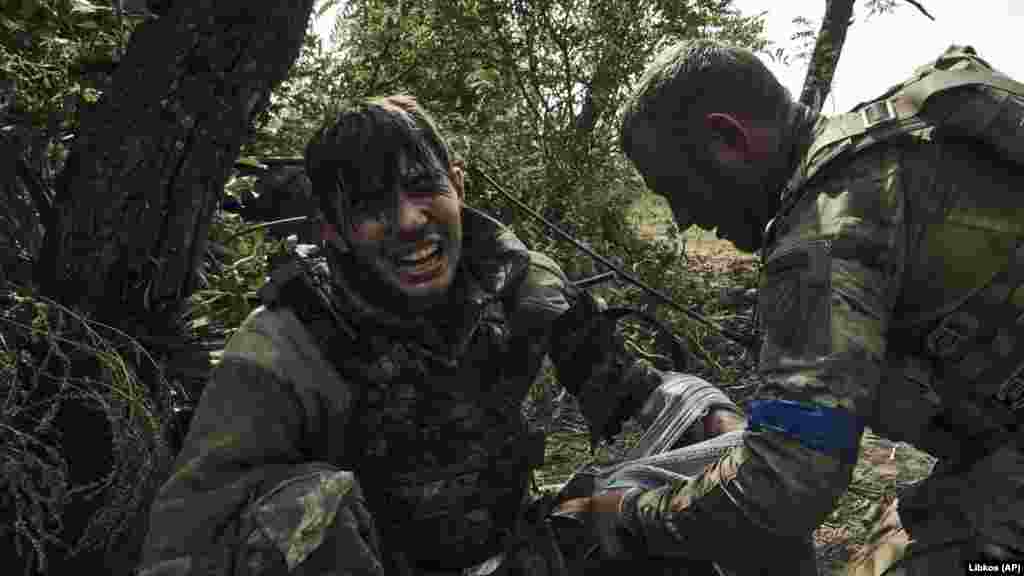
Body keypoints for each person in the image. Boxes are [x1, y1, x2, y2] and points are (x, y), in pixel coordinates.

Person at [135, 94, 753, 575]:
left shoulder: (522, 286)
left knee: (681, 505)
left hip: (512, 557)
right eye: (372, 207)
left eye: (425, 189)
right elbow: (187, 540)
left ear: (458, 186)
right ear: (332, 230)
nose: (409, 222)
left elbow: (631, 392)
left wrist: (710, 418)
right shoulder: (285, 344)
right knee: (300, 511)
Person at [576, 38, 1024, 573]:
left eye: (675, 188)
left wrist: (623, 514)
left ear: (728, 139)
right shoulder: (896, 139)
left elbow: (786, 485)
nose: (684, 219)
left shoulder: (825, 233)